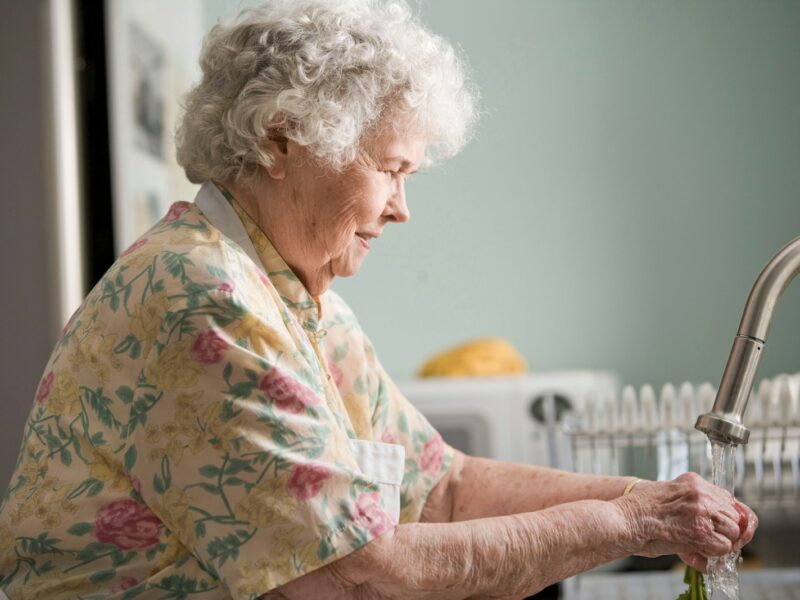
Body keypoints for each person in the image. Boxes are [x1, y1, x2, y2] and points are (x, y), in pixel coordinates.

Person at [0, 1, 757, 598]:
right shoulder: (203, 298)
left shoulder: (296, 299)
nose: (402, 209)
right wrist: (625, 522)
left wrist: (651, 500)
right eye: (391, 170)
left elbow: (445, 489)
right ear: (283, 138)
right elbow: (357, 576)